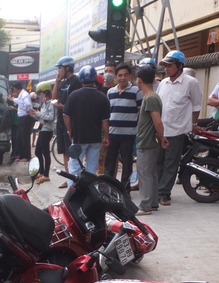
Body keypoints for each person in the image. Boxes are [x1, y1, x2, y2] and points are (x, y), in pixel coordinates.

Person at [156, 50, 203, 206]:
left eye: (169, 66)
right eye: (165, 66)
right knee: (158, 162)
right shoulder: (163, 83)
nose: (166, 69)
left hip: (177, 130)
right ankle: (156, 190)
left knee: (171, 163)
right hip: (160, 130)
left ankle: (164, 194)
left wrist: (194, 124)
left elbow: (196, 105)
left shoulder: (190, 82)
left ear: (180, 66)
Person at [63, 65, 111, 186]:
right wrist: (106, 137)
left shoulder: (74, 95)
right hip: (95, 139)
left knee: (74, 167)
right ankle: (89, 193)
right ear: (95, 79)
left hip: (79, 138)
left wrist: (70, 131)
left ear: (81, 79)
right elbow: (105, 121)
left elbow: (66, 115)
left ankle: (72, 193)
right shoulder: (102, 97)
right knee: (91, 168)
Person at [134, 66, 169, 215]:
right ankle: (153, 203)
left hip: (147, 142)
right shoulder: (152, 97)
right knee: (151, 172)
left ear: (139, 80)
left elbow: (158, 122)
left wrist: (161, 137)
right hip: (149, 141)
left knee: (145, 173)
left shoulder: (150, 98)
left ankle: (145, 205)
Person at [105, 63, 142, 191]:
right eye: (120, 75)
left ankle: (125, 189)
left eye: (125, 75)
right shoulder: (110, 92)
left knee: (127, 162)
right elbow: (107, 113)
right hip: (112, 133)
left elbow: (140, 112)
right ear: (116, 77)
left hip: (128, 134)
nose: (122, 78)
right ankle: (108, 187)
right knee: (109, 162)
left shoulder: (136, 91)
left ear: (130, 76)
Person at [52, 56, 82, 187]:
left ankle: (75, 177)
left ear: (67, 68)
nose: (58, 71)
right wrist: (57, 82)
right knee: (64, 150)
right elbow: (54, 99)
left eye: (60, 68)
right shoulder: (63, 83)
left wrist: (63, 107)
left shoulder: (76, 82)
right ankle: (68, 176)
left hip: (71, 120)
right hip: (61, 119)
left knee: (71, 150)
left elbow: (77, 104)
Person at [30, 82, 55, 184]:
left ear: (45, 93)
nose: (39, 96)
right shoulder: (44, 104)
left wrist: (39, 113)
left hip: (47, 130)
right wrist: (34, 114)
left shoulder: (52, 104)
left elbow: (50, 117)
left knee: (45, 152)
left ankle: (46, 175)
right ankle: (41, 171)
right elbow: (41, 117)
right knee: (37, 152)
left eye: (40, 94)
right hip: (42, 129)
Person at [9, 82, 33, 162]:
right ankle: (21, 155)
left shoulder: (25, 94)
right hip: (21, 118)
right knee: (19, 137)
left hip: (26, 118)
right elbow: (18, 101)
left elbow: (27, 104)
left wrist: (27, 110)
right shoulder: (21, 95)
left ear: (17, 88)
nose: (14, 90)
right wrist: (12, 99)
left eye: (14, 89)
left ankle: (27, 156)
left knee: (25, 137)